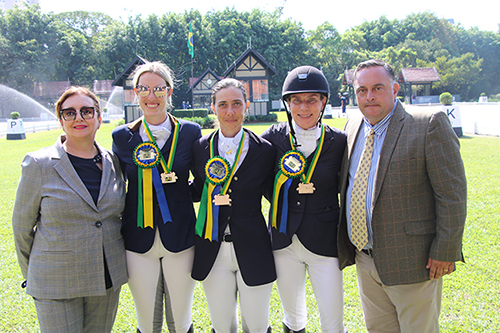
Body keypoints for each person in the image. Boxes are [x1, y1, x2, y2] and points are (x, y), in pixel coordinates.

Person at [338, 59, 467, 332]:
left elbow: (452, 194)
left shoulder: (428, 124)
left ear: (395, 89)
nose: (369, 96)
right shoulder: (352, 127)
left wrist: (445, 250)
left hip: (413, 261)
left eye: (377, 88)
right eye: (362, 90)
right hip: (365, 259)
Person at [12, 86, 127, 332]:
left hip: (105, 280)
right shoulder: (38, 164)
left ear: (98, 117)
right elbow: (21, 228)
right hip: (55, 282)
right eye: (69, 112)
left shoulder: (113, 161)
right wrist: (33, 273)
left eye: (86, 111)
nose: (78, 118)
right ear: (61, 120)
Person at [112, 61, 201, 333]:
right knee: (147, 322)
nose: (151, 96)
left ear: (169, 92)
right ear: (135, 93)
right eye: (144, 89)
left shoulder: (190, 132)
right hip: (138, 238)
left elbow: (204, 182)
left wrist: (177, 194)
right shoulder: (121, 136)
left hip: (181, 236)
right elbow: (116, 186)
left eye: (158, 89)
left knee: (180, 319)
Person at [261, 66, 347, 333]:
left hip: (325, 242)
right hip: (283, 240)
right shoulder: (270, 138)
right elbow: (261, 183)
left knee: (333, 320)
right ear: (287, 103)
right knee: (293, 318)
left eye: (312, 99)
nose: (304, 107)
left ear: (323, 102)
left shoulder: (340, 141)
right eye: (296, 100)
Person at [191, 78, 276, 333]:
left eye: (237, 104)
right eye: (223, 104)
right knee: (221, 324)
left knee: (257, 325)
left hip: (253, 246)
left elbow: (275, 194)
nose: (230, 112)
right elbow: (197, 190)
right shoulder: (200, 147)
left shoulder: (265, 150)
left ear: (246, 106)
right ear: (213, 107)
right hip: (213, 249)